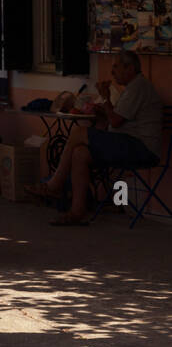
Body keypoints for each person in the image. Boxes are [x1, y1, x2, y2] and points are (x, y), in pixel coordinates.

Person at [28, 51, 165, 225]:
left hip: (141, 148)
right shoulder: (132, 88)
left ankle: (55, 184)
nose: (112, 71)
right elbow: (117, 118)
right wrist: (103, 111)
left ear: (129, 68)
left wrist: (106, 98)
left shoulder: (139, 86)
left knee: (78, 133)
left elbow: (115, 121)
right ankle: (77, 212)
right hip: (127, 143)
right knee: (80, 153)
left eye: (116, 66)